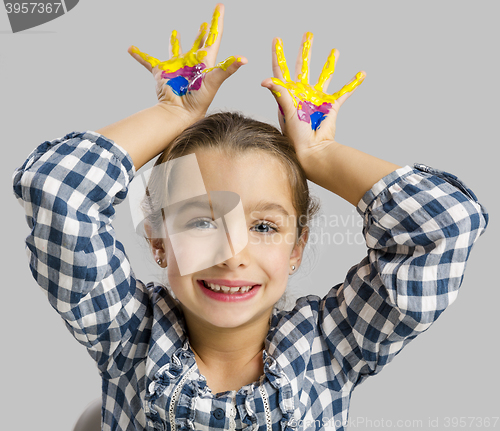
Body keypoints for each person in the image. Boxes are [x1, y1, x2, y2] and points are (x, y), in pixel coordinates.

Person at [13, 4, 488, 430]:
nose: (232, 254)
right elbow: (57, 191)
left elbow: (445, 223)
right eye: (201, 221)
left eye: (264, 227)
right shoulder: (127, 333)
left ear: (297, 246)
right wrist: (170, 114)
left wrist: (321, 153)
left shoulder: (333, 345)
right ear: (158, 238)